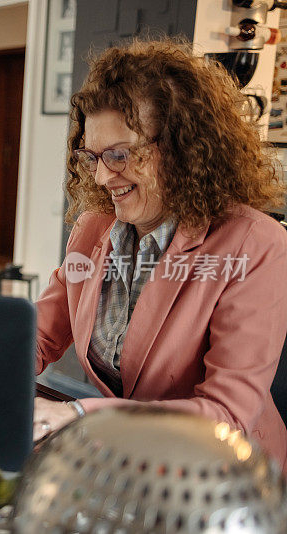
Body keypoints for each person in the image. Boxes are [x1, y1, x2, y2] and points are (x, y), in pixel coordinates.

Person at [33, 39, 287, 470]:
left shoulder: (256, 244)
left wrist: (79, 413)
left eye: (119, 155)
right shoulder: (94, 227)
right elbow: (41, 334)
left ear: (182, 147)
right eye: (91, 156)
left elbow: (225, 416)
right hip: (137, 455)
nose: (100, 175)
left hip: (227, 477)